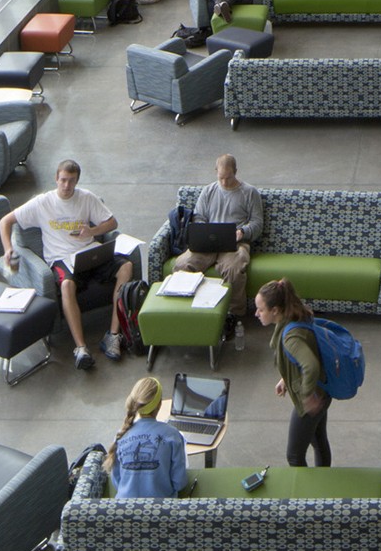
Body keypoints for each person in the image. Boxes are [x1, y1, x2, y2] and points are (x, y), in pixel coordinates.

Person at [0, 160, 135, 371]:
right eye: (63, 180)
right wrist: (8, 249)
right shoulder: (42, 203)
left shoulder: (87, 198)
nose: (66, 185)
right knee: (66, 286)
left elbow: (112, 223)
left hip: (89, 253)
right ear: (56, 178)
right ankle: (81, 348)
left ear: (77, 181)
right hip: (62, 260)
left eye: (71, 181)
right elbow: (5, 221)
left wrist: (92, 231)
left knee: (126, 267)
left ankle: (114, 334)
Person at [169, 153, 262, 347]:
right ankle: (190, 311)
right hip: (208, 242)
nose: (224, 182)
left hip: (236, 242)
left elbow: (257, 223)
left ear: (235, 172)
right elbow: (199, 217)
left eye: (228, 177)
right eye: (221, 177)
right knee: (182, 264)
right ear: (216, 172)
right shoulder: (209, 191)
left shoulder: (249, 192)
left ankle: (233, 315)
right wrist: (204, 230)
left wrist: (242, 232)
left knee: (234, 270)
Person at [257, 279, 332, 468]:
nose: (256, 313)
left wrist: (307, 396)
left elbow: (311, 365)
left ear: (275, 310)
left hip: (313, 398)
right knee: (318, 439)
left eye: (261, 309)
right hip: (323, 390)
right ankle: (323, 484)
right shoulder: (291, 318)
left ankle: (305, 495)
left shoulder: (290, 336)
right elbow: (301, 356)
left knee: (294, 456)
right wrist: (285, 378)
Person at [108, 377, 190, 500]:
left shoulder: (120, 435)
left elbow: (117, 482)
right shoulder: (172, 435)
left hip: (124, 512)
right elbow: (179, 482)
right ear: (159, 404)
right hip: (162, 512)